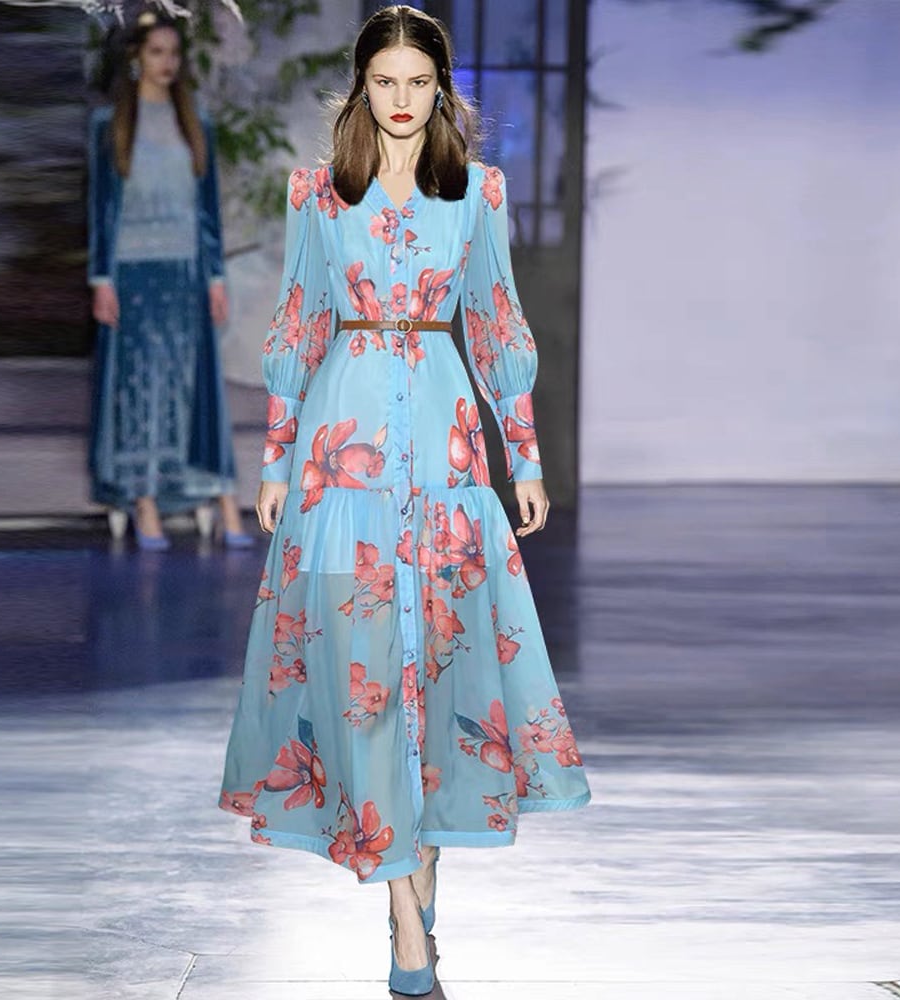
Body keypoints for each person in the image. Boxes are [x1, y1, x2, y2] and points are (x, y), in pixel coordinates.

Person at [219, 5, 590, 993]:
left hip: (445, 448)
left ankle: (417, 887)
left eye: (416, 82)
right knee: (366, 676)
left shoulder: (476, 192)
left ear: (440, 88)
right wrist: (273, 462)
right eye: (383, 80)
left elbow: (496, 322)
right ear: (361, 85)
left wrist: (524, 458)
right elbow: (300, 324)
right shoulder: (316, 194)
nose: (399, 98)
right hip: (341, 460)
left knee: (438, 671)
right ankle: (403, 917)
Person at [87, 12, 253, 550]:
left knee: (191, 383)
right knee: (138, 385)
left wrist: (216, 277)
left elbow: (207, 210)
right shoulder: (110, 124)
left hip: (186, 271)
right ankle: (144, 498)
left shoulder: (194, 121)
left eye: (174, 53)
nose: (167, 62)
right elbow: (101, 207)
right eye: (157, 52)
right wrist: (101, 278)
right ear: (137, 56)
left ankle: (214, 491)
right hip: (132, 272)